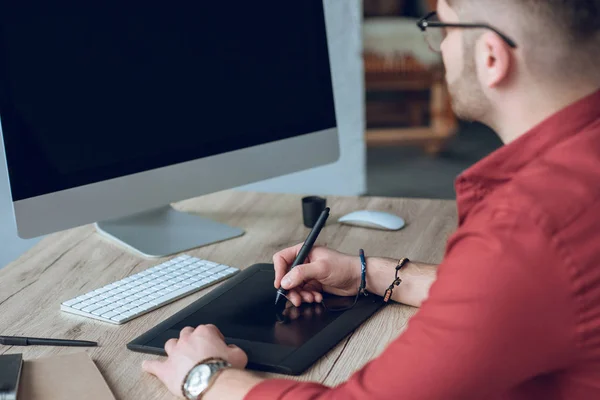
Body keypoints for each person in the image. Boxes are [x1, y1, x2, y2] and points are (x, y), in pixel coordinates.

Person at [141, 0, 600, 398]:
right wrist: (370, 273)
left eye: (440, 27)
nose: (438, 48)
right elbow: (529, 297)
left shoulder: (531, 225)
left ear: (491, 57)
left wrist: (205, 377)